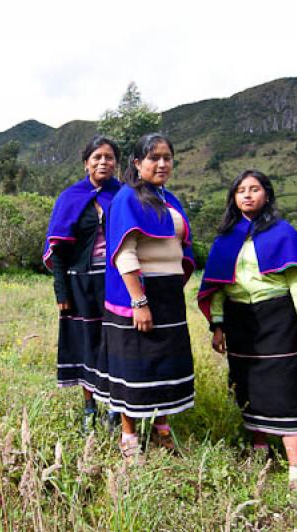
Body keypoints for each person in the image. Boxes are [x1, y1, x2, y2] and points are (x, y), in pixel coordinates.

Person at [197, 169, 297, 490]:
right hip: (239, 322)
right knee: (248, 386)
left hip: (278, 320)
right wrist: (218, 326)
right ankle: (261, 454)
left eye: (254, 189)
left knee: (287, 388)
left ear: (266, 194)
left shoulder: (284, 234)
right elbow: (217, 289)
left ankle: (296, 472)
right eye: (240, 190)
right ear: (233, 198)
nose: (247, 195)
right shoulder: (225, 238)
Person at [94, 133, 195, 463]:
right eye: (154, 158)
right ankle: (129, 436)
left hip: (169, 296)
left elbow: (181, 248)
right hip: (138, 296)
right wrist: (139, 301)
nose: (162, 163)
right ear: (137, 164)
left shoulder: (170, 200)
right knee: (134, 367)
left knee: (165, 364)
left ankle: (162, 429)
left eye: (167, 157)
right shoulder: (127, 199)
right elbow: (124, 254)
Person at [43, 135, 122, 432]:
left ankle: (115, 409)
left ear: (117, 163)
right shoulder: (70, 197)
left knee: (116, 345)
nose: (103, 162)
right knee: (85, 345)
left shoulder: (125, 196)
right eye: (97, 157)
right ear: (86, 163)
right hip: (79, 285)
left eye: (109, 157)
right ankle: (90, 407)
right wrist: (61, 291)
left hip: (117, 282)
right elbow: (59, 251)